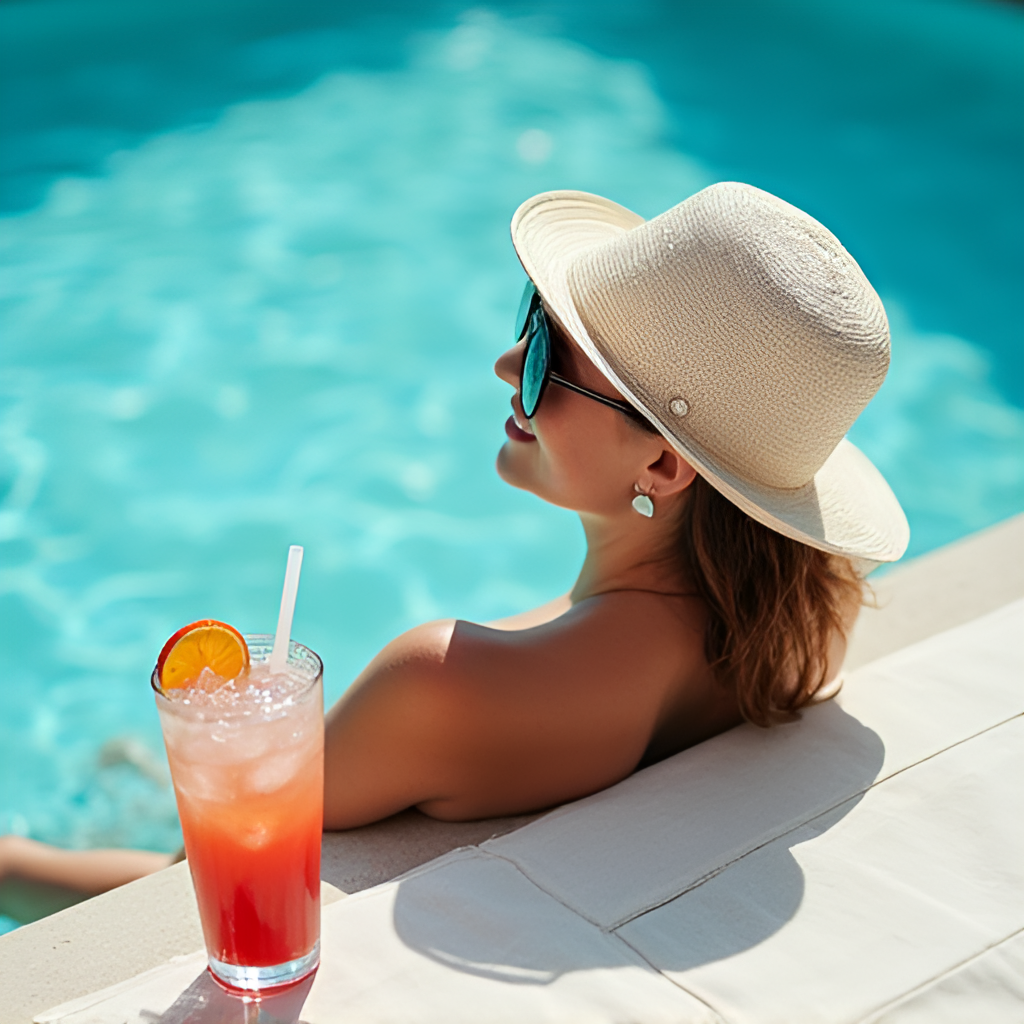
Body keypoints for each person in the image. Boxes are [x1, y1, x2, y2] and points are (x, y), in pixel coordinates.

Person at [1, 182, 908, 897]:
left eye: (549, 358)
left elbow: (201, 878)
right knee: (132, 768)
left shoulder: (440, 684)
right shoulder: (801, 611)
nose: (508, 364)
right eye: (532, 318)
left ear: (664, 466)